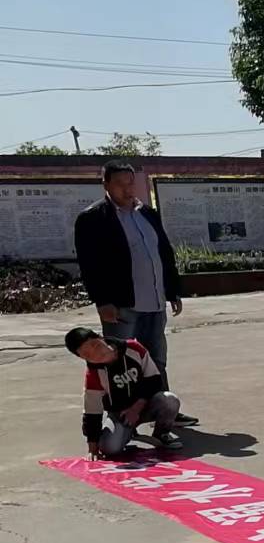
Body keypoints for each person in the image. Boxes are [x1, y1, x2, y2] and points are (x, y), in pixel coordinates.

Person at [72, 161, 197, 427]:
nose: (127, 189)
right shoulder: (93, 218)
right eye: (120, 184)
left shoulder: (147, 214)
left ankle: (163, 411)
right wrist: (102, 301)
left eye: (131, 183)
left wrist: (173, 290)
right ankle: (120, 416)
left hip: (154, 300)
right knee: (116, 363)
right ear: (106, 185)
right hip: (121, 305)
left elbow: (164, 254)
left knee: (156, 359)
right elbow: (89, 264)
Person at [64, 325, 181, 456]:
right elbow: (92, 411)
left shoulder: (133, 349)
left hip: (146, 403)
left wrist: (136, 409)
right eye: (87, 354)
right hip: (120, 414)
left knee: (170, 400)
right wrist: (92, 446)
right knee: (109, 448)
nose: (96, 354)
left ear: (101, 338)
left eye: (95, 346)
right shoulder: (94, 374)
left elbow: (154, 381)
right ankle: (127, 432)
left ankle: (161, 434)